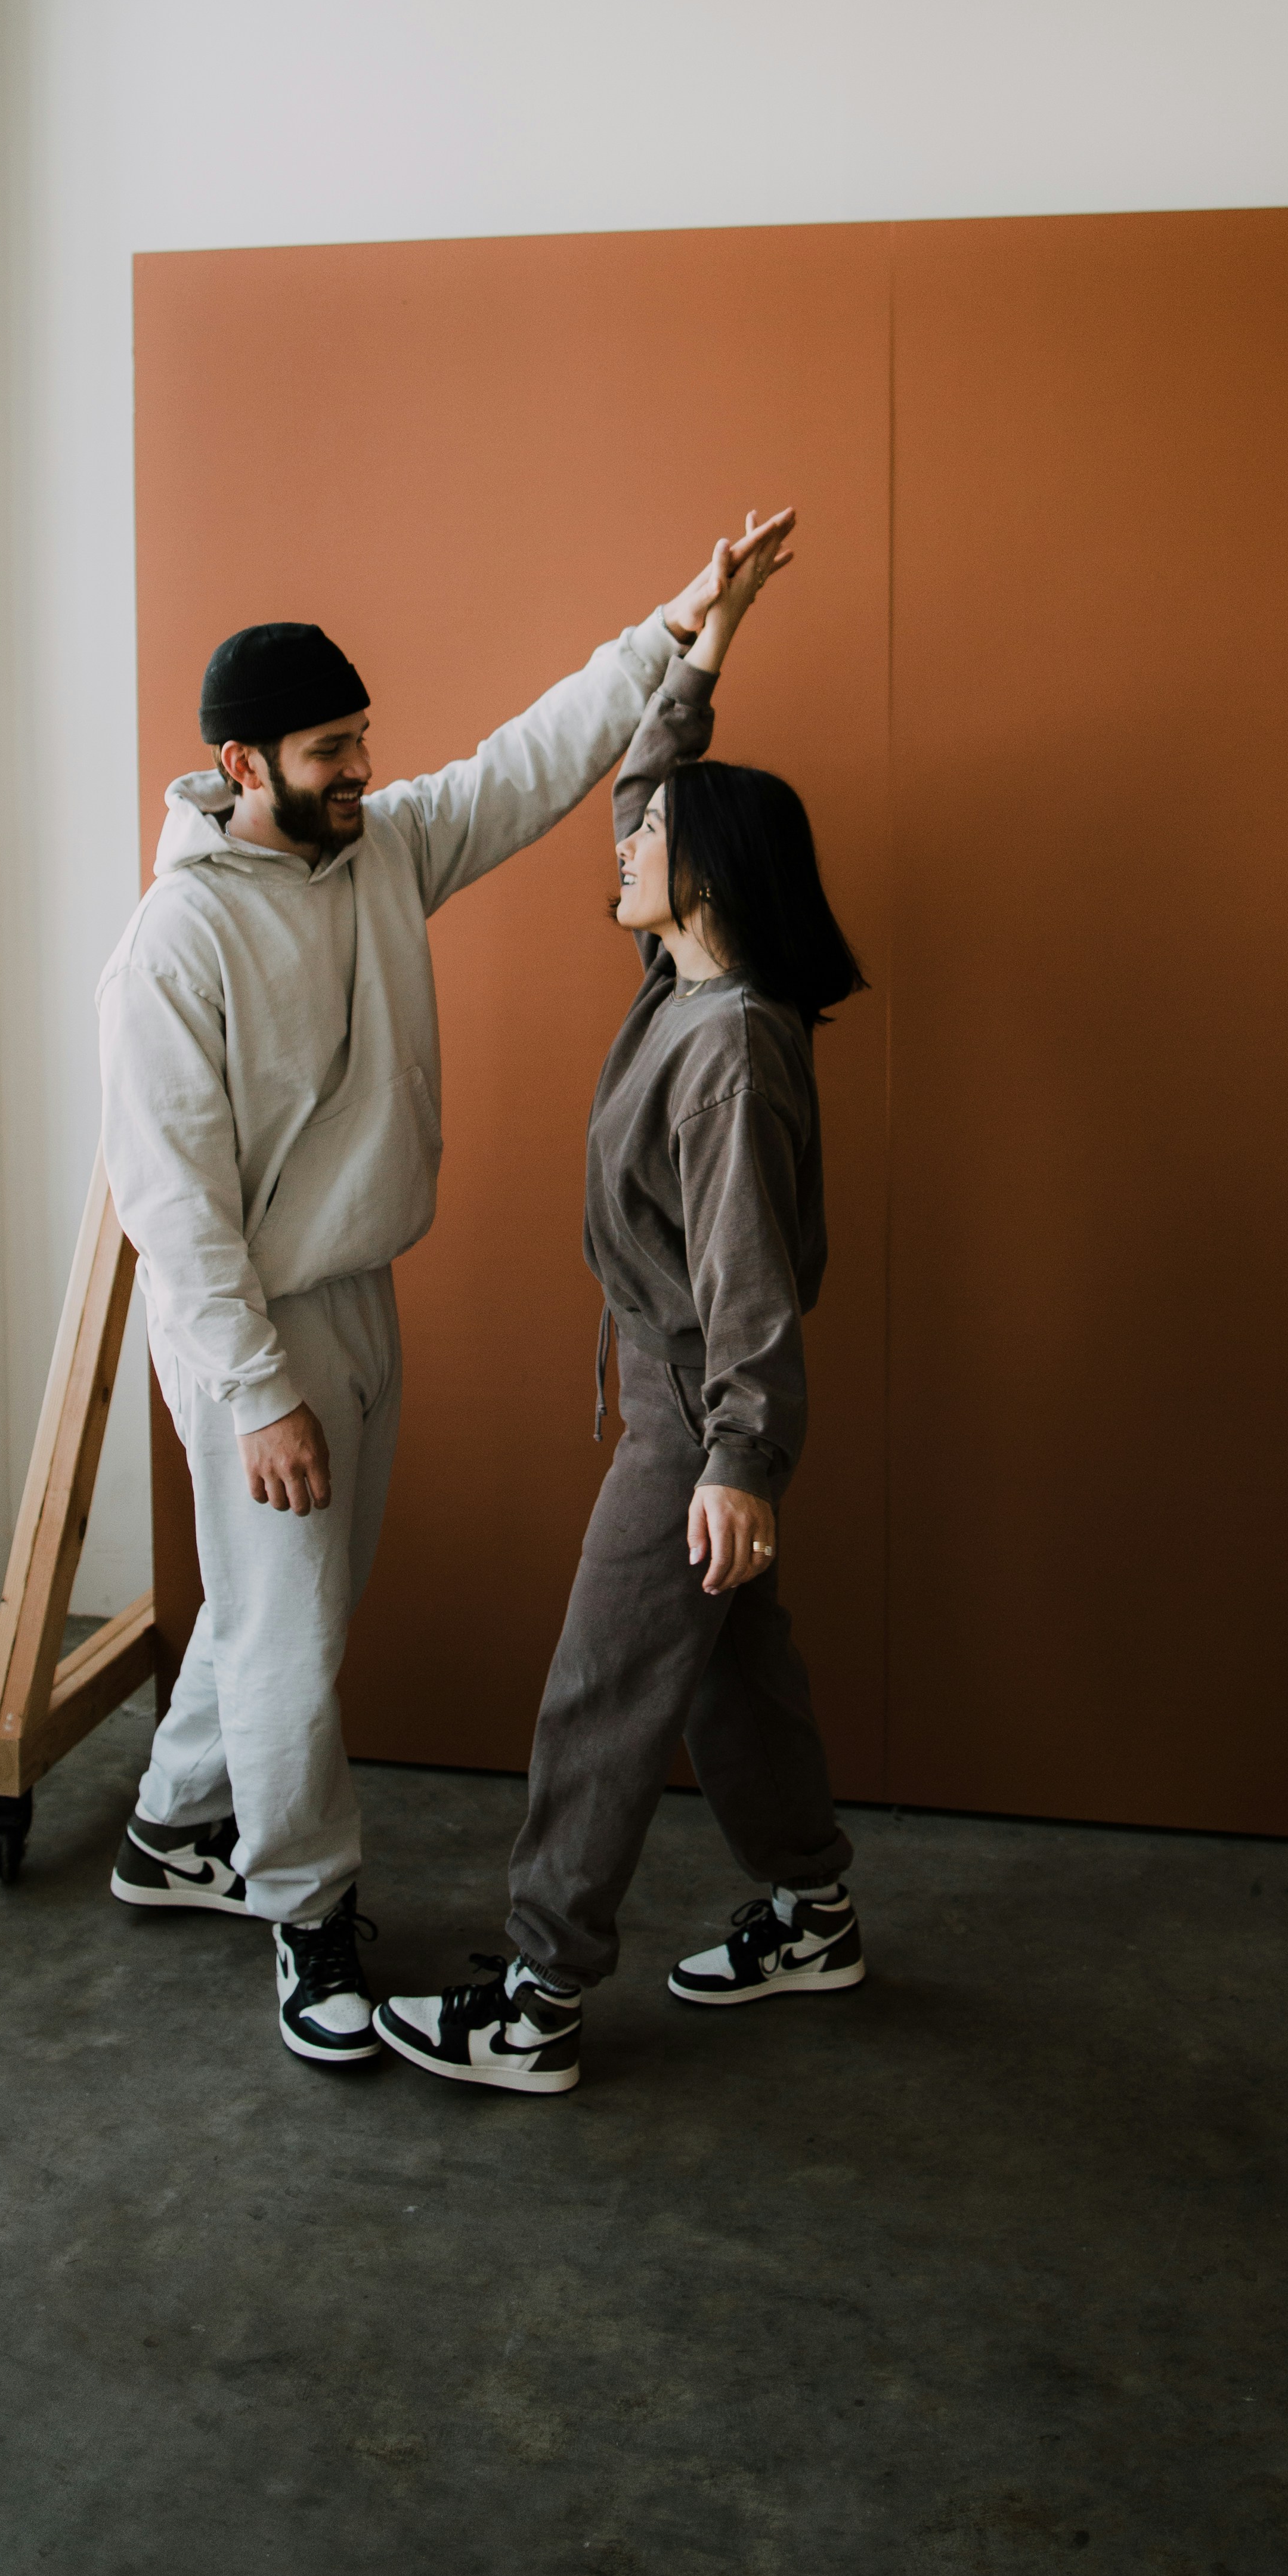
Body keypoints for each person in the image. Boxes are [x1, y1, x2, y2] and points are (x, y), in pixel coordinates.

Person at [98, 516, 794, 2068]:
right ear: (238, 760)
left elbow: (532, 758)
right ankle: (305, 1915)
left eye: (362, 740)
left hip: (358, 1292)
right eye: (329, 747)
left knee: (285, 1599)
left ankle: (165, 1830)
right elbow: (169, 1202)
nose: (360, 766)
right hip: (254, 1326)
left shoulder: (383, 847)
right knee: (290, 1634)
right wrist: (258, 1389)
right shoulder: (174, 940)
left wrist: (675, 624)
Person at [374, 514, 867, 2094]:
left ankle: (533, 1997)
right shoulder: (685, 985)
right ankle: (813, 1907)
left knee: (600, 1692)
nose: (619, 845)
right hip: (680, 1399)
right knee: (726, 1674)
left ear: (698, 878)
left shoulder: (724, 1044)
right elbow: (649, 775)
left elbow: (749, 1290)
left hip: (690, 1412)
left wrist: (736, 1464)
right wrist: (709, 630)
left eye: (641, 847)